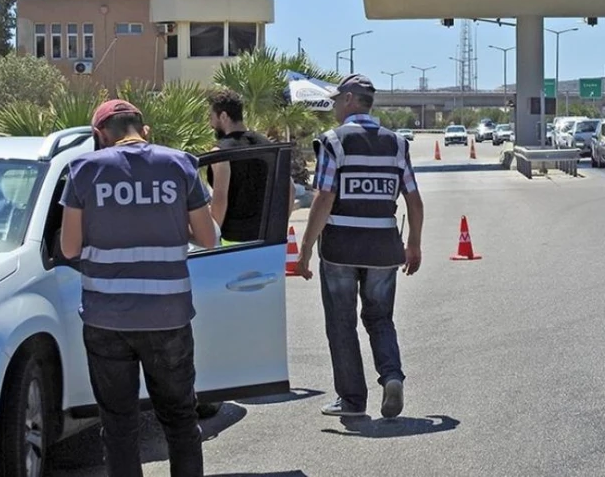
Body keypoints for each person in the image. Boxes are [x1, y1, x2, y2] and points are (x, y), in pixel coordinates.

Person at [60, 99, 218, 477]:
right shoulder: (179, 164)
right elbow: (208, 238)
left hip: (106, 319)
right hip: (168, 316)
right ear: (144, 130)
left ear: (100, 135)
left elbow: (68, 247)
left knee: (117, 423)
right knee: (180, 418)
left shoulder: (83, 170)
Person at [294, 74, 424, 420]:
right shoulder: (397, 144)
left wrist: (305, 249)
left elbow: (324, 197)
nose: (335, 105)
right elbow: (413, 199)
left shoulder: (333, 142)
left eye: (338, 100)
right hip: (384, 248)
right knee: (380, 318)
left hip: (341, 249)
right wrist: (413, 244)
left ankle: (352, 399)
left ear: (351, 100)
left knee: (341, 322)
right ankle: (392, 376)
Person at [206, 88, 295, 244]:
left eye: (211, 117)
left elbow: (220, 199)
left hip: (232, 241)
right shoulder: (268, 146)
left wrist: (212, 238)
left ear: (224, 116)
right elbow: (290, 189)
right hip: (267, 240)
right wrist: (276, 227)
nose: (210, 124)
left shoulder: (220, 152)